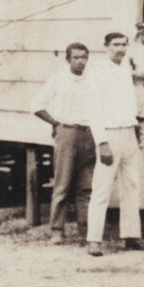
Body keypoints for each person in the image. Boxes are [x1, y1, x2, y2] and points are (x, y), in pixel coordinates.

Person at [83, 31, 144, 256]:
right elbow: (93, 110)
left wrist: (137, 129)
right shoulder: (96, 72)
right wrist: (101, 142)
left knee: (132, 186)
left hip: (129, 133)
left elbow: (131, 102)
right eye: (116, 45)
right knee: (102, 188)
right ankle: (94, 240)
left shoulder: (126, 69)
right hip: (109, 135)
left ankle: (130, 236)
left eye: (123, 45)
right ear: (106, 46)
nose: (120, 49)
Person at [31, 42, 94, 244]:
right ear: (68, 59)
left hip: (89, 134)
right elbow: (37, 106)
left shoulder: (93, 79)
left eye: (84, 57)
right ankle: (57, 230)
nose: (80, 61)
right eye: (76, 57)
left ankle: (86, 231)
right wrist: (56, 124)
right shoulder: (58, 79)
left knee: (86, 187)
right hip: (67, 132)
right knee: (63, 183)